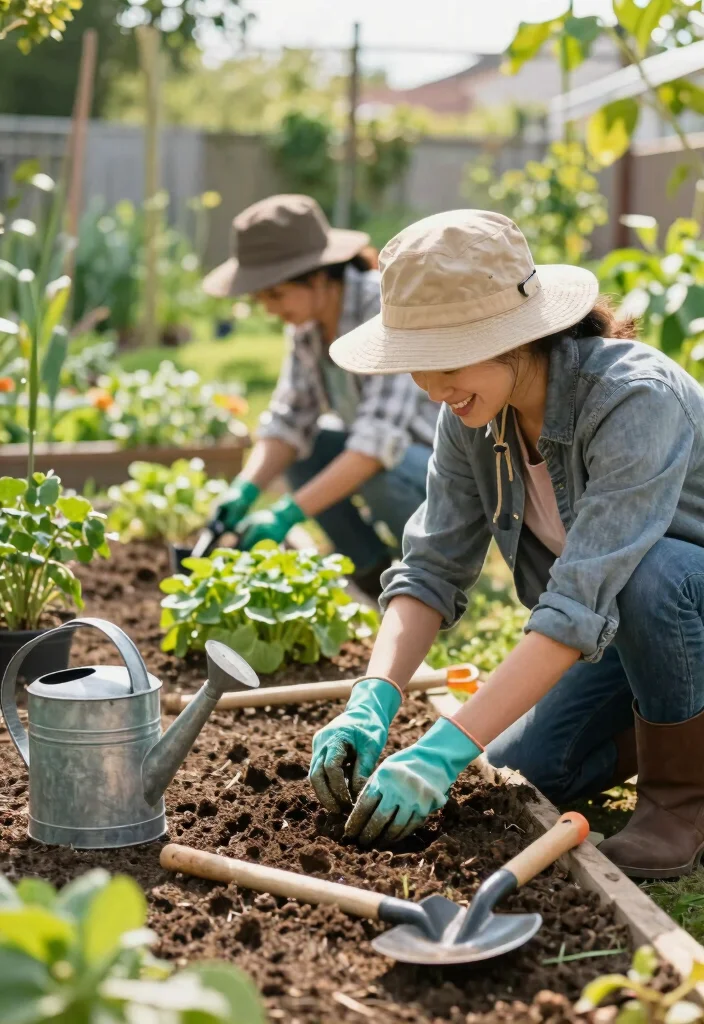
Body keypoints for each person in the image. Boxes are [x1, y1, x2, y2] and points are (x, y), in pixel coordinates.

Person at [309, 208, 704, 880]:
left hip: (673, 604)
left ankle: (680, 802)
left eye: (444, 360)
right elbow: (430, 569)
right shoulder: (471, 414)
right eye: (415, 365)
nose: (430, 387)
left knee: (651, 572)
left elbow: (582, 597)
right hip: (625, 632)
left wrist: (443, 746)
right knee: (528, 772)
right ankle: (676, 730)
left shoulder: (634, 398)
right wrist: (372, 697)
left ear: (516, 335)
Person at [202, 194, 439, 597]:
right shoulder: (308, 326)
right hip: (386, 455)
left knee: (382, 473)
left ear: (317, 276)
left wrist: (287, 514)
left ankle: (436, 570)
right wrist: (245, 487)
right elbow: (288, 420)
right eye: (262, 300)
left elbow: (377, 442)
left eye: (275, 296)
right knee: (307, 449)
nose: (271, 310)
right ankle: (371, 570)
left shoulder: (383, 308)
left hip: (438, 471)